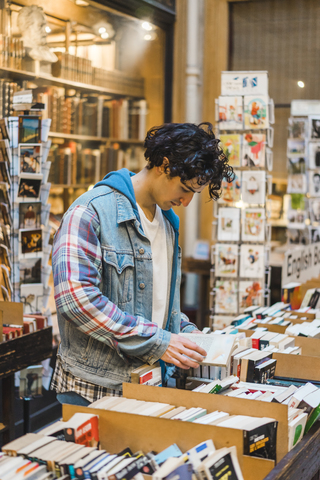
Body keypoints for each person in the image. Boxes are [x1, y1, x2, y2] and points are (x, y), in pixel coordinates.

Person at [51, 122, 233, 405]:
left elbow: (153, 303)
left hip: (148, 387)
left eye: (194, 194)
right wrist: (160, 341)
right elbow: (76, 300)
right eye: (185, 188)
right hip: (94, 389)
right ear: (163, 165)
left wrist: (183, 331)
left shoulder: (168, 224)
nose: (186, 202)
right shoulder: (90, 211)